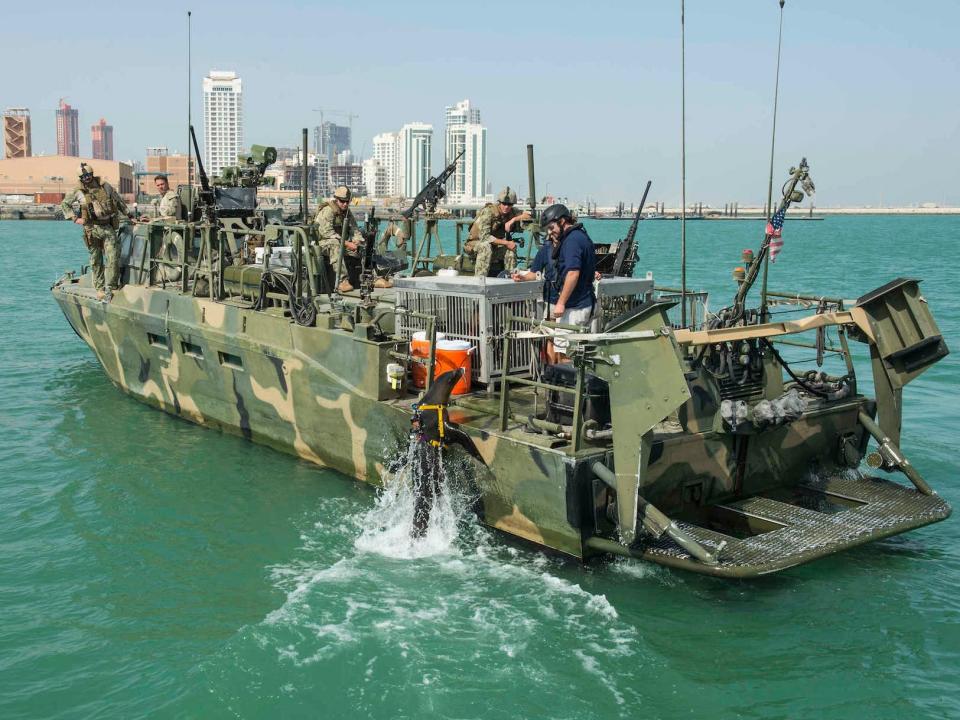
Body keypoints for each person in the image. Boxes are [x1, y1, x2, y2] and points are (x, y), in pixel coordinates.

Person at [515, 203, 595, 359]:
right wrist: (523, 277)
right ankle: (560, 376)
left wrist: (561, 302)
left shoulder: (572, 240)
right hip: (580, 302)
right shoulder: (580, 236)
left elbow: (572, 273)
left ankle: (566, 382)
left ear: (562, 221)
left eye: (552, 228)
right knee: (563, 346)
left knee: (566, 351)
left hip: (574, 306)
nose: (550, 233)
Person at [60, 163, 129, 301]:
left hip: (107, 227)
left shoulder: (105, 186)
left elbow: (118, 201)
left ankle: (112, 286)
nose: (86, 178)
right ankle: (100, 289)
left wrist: (129, 215)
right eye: (83, 176)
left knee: (113, 257)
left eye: (88, 175)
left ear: (92, 174)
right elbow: (65, 204)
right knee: (96, 260)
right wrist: (74, 218)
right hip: (91, 229)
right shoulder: (77, 191)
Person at [465, 187, 531, 276]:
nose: (506, 207)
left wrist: (513, 220)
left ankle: (510, 279)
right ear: (499, 202)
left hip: (494, 247)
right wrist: (506, 243)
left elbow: (529, 215)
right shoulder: (488, 211)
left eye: (509, 204)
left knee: (510, 249)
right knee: (486, 247)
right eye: (504, 203)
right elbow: (485, 237)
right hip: (474, 245)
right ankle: (480, 280)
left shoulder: (512, 211)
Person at [314, 186, 365, 293]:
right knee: (335, 244)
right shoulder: (328, 210)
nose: (345, 204)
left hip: (340, 242)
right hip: (323, 243)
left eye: (348, 201)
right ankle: (342, 281)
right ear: (336, 199)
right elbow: (327, 233)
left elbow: (355, 229)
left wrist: (357, 240)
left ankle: (370, 277)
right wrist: (347, 243)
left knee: (364, 246)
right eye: (342, 201)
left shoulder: (346, 212)